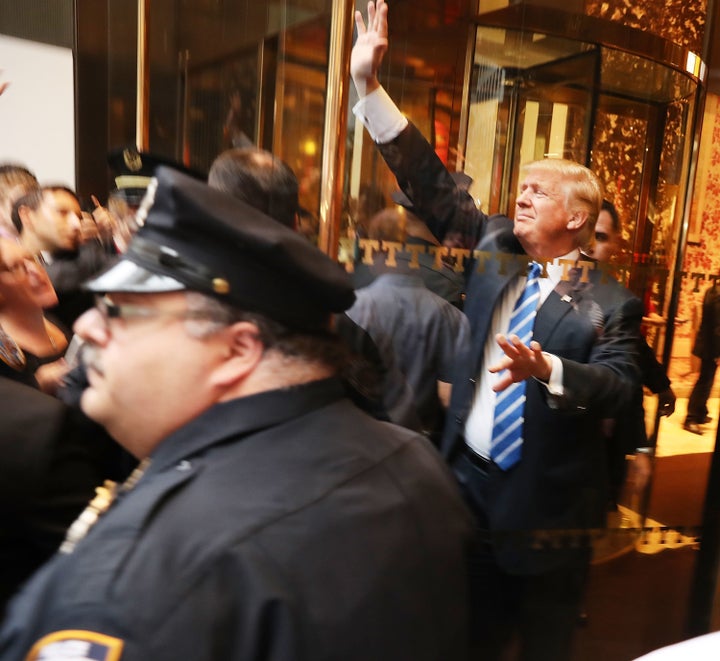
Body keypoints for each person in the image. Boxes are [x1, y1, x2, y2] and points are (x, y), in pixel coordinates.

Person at [0, 166, 474, 660]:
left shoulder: (145, 573)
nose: (90, 327)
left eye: (120, 309)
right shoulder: (412, 459)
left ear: (238, 349)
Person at [351, 3, 643, 659]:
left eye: (540, 190)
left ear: (576, 218)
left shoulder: (611, 301)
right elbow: (428, 183)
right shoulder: (492, 247)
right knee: (462, 640)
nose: (523, 194)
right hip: (467, 497)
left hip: (547, 522)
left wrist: (551, 371)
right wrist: (370, 89)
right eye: (523, 185)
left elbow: (622, 387)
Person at [346, 206, 470, 444]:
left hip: (359, 440)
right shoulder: (450, 316)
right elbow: (449, 396)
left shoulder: (353, 307)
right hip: (420, 443)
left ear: (377, 252)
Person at [585, 200, 676, 509]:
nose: (589, 244)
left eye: (599, 236)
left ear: (615, 244)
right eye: (586, 233)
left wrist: (640, 446)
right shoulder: (541, 286)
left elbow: (633, 360)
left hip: (601, 442)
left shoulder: (617, 300)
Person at [683, 281, 720, 434]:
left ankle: (700, 413)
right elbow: (718, 326)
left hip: (708, 343)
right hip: (711, 345)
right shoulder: (717, 295)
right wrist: (718, 352)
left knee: (707, 379)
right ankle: (691, 417)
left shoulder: (713, 290)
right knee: (704, 381)